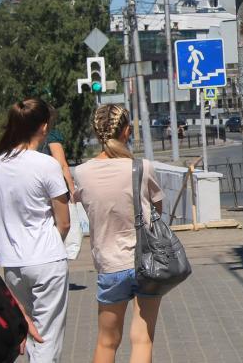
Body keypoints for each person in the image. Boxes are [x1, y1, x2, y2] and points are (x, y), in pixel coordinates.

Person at [74, 104, 165, 363]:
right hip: (146, 263)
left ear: (96, 132)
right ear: (127, 131)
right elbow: (158, 209)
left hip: (109, 265)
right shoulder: (142, 167)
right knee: (142, 339)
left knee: (106, 342)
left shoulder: (81, 173)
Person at [0, 98, 71, 363]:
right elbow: (64, 222)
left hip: (13, 264)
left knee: (28, 331)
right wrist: (54, 243)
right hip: (47, 259)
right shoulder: (46, 165)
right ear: (44, 126)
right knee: (47, 335)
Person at [39, 111, 83, 262]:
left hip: (36, 187)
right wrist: (71, 190)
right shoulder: (51, 136)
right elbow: (62, 164)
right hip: (54, 188)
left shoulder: (23, 138)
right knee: (60, 225)